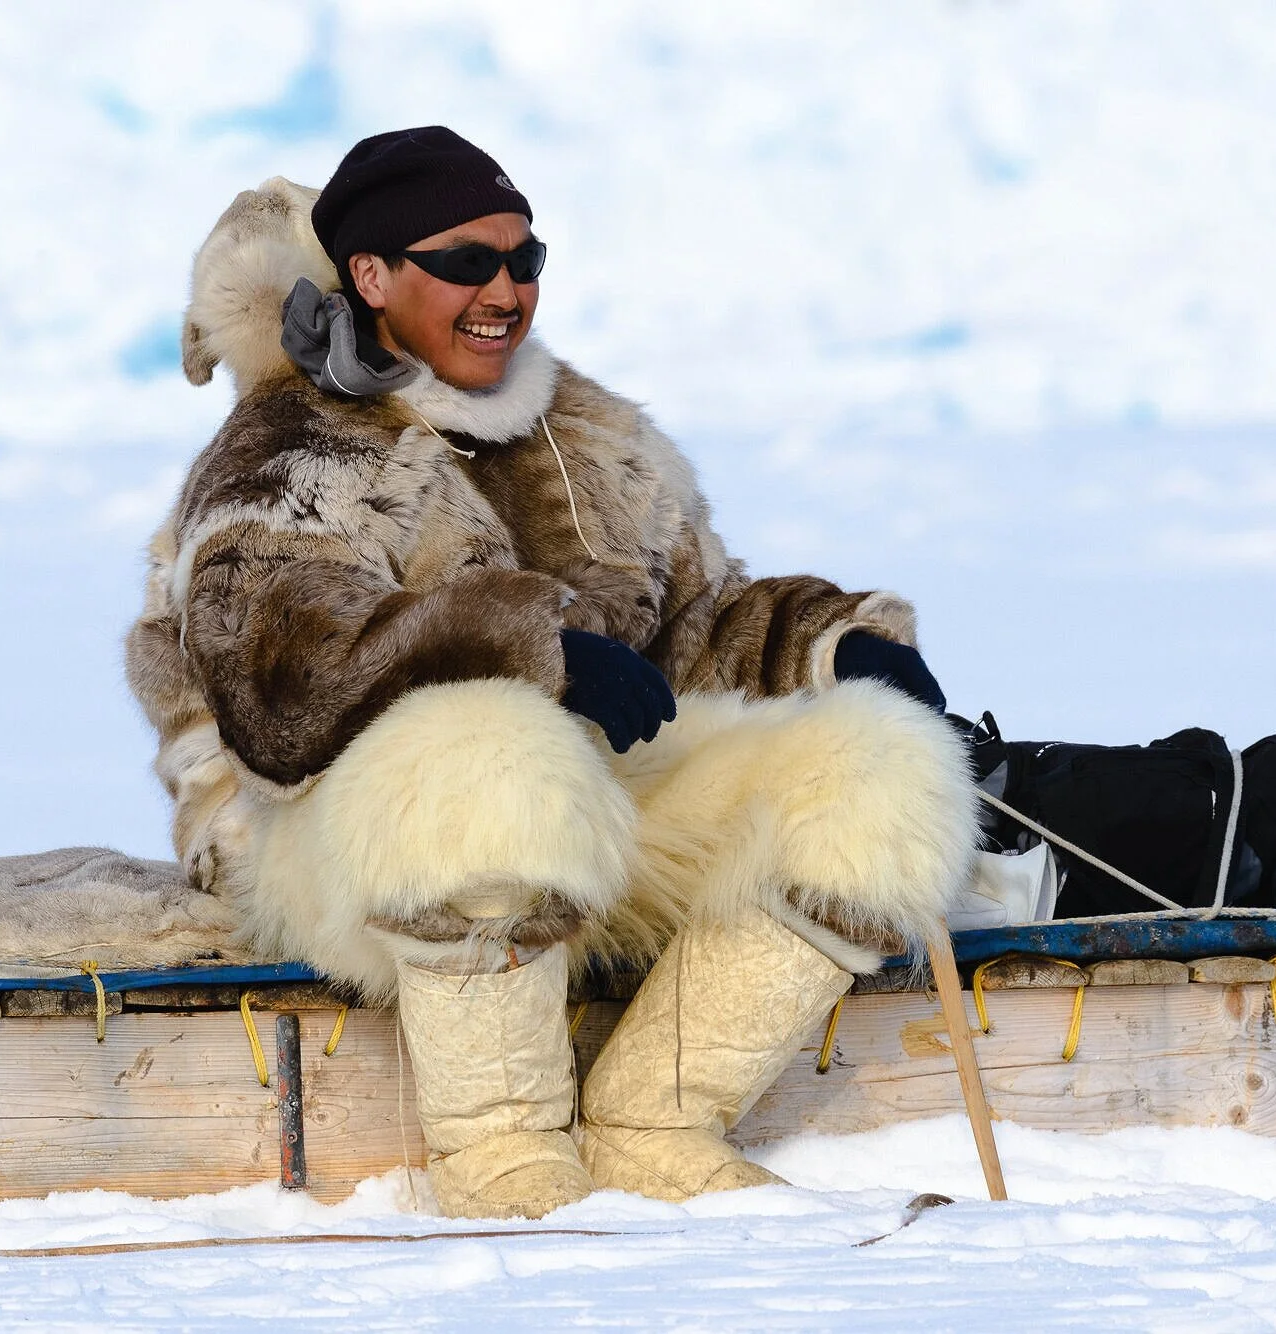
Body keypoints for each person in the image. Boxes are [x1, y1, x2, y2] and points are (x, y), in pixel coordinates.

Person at [127, 126, 978, 1219]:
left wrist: (828, 642)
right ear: (372, 276)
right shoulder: (289, 445)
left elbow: (695, 623)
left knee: (876, 765)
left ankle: (653, 1125)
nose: (505, 290)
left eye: (523, 259)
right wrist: (532, 646)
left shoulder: (576, 430)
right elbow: (280, 686)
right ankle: (504, 1160)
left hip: (583, 812)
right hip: (322, 842)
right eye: (465, 262)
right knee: (491, 744)